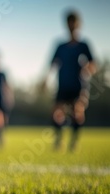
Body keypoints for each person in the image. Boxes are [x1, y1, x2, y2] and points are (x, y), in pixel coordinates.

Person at [42, 10, 96, 151]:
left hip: (78, 86)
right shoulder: (60, 46)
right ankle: (58, 140)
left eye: (73, 22)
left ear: (78, 24)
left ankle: (73, 141)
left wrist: (87, 68)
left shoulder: (83, 45)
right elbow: (52, 64)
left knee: (77, 113)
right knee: (56, 113)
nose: (71, 25)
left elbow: (93, 64)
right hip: (63, 85)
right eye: (69, 22)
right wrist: (45, 80)